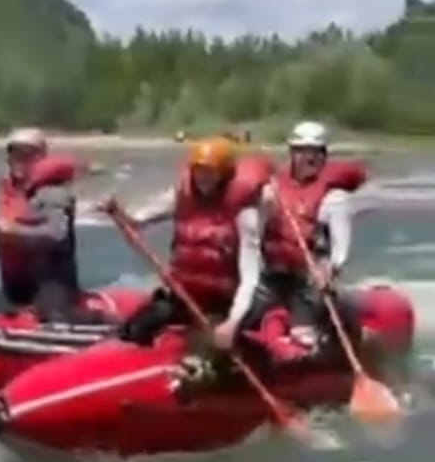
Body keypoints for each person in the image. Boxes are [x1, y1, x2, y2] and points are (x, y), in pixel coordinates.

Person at [101, 136, 269, 351]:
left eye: (210, 172)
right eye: (199, 170)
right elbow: (137, 220)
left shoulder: (244, 215)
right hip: (185, 295)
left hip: (223, 303)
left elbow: (250, 279)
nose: (203, 178)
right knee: (135, 329)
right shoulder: (181, 197)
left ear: (225, 174)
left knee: (209, 348)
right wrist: (117, 212)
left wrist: (232, 323)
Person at [248, 120, 368, 362]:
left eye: (315, 152)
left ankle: (310, 346)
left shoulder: (334, 198)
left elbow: (340, 247)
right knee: (242, 313)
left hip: (309, 279)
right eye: (303, 151)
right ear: (292, 154)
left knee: (303, 330)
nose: (309, 158)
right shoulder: (272, 190)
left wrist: (330, 269)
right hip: (274, 275)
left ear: (324, 156)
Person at [0, 127, 84, 323]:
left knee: (54, 318)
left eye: (27, 154)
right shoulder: (9, 193)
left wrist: (14, 232)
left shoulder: (51, 192)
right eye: (14, 153)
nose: (19, 160)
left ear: (41, 158)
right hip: (17, 286)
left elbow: (57, 234)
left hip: (51, 282)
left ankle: (109, 323)